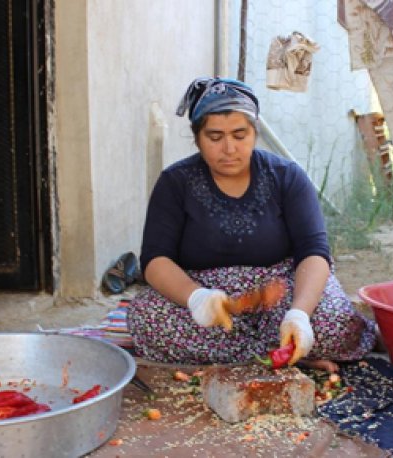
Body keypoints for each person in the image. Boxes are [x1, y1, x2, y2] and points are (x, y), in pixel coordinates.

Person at [127, 77, 377, 370]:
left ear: (254, 133)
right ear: (197, 138)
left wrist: (298, 314)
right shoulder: (175, 182)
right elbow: (155, 260)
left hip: (281, 291)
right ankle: (288, 355)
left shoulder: (286, 177)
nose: (229, 148)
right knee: (146, 318)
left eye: (239, 134)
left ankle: (284, 344)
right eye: (215, 137)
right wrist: (197, 298)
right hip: (211, 299)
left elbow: (315, 253)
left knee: (334, 322)